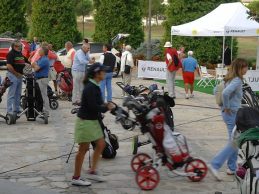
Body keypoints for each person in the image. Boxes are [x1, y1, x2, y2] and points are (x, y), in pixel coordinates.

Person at [72, 63, 114, 186]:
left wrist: (106, 105)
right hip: (85, 122)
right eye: (103, 71)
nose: (105, 73)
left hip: (92, 121)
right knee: (83, 150)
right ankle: (76, 177)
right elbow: (93, 107)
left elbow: (99, 103)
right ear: (97, 73)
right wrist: (106, 107)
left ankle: (92, 171)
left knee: (101, 144)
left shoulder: (95, 86)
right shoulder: (90, 87)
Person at [209, 58, 248, 181]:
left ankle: (231, 167)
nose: (247, 69)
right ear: (240, 68)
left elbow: (215, 90)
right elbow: (225, 93)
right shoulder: (237, 80)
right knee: (234, 142)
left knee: (234, 140)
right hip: (232, 115)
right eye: (245, 67)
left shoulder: (229, 78)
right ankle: (215, 164)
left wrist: (225, 106)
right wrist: (226, 107)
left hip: (229, 114)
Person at [6, 40, 29, 114]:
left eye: (20, 46)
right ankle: (9, 111)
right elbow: (9, 65)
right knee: (11, 94)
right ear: (14, 46)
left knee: (18, 94)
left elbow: (27, 61)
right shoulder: (11, 54)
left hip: (19, 75)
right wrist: (16, 73)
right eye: (18, 46)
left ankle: (16, 109)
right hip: (13, 75)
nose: (19, 47)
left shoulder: (20, 54)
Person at [31, 47, 50, 115]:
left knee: (43, 95)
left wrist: (34, 65)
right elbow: (33, 64)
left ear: (43, 52)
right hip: (39, 79)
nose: (39, 51)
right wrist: (34, 65)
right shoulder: (40, 58)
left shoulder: (44, 59)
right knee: (40, 95)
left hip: (42, 79)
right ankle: (41, 109)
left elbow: (36, 68)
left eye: (40, 50)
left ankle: (46, 111)